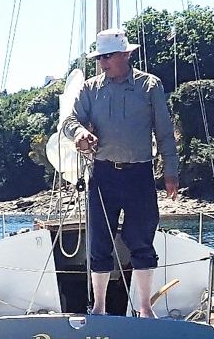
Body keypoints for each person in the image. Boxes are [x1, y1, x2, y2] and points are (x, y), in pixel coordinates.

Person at [60, 28, 180, 318]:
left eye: (108, 56)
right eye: (100, 57)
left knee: (141, 239)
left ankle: (144, 307)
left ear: (126, 55)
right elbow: (70, 120)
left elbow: (164, 131)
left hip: (139, 174)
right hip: (102, 175)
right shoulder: (90, 88)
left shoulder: (149, 86)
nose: (103, 62)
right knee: (99, 241)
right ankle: (99, 308)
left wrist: (171, 171)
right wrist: (79, 134)